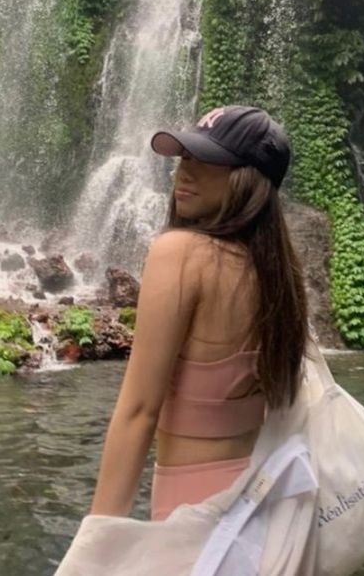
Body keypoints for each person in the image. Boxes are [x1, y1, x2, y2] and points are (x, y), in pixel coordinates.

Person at [89, 104, 310, 523]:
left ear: (248, 178)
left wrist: (96, 546)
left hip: (192, 511)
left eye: (207, 158)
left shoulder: (180, 253)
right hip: (258, 505)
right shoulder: (279, 277)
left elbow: (139, 411)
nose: (183, 171)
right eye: (185, 156)